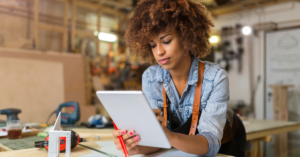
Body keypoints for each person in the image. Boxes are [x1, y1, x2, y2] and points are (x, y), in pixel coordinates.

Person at [112, 0, 246, 156]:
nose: (159, 51)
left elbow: (210, 145)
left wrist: (168, 135)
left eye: (166, 41)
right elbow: (157, 142)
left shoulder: (215, 78)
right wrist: (135, 146)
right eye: (153, 45)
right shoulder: (151, 77)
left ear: (187, 37)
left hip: (226, 146)